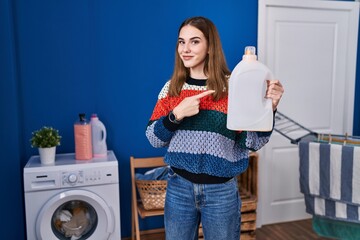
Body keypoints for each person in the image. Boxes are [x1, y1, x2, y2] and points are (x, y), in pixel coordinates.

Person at [145, 16, 284, 240]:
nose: (185, 49)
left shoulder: (235, 86)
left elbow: (251, 142)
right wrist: (176, 114)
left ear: (210, 46)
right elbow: (153, 138)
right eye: (181, 42)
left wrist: (270, 109)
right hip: (179, 188)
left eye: (195, 41)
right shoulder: (171, 88)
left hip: (221, 192)